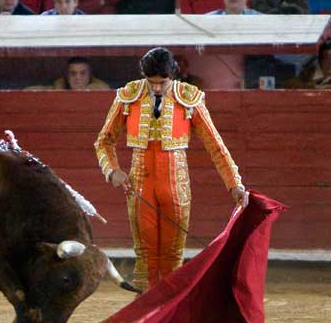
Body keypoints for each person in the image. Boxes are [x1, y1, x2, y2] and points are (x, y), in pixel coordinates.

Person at [94, 47, 248, 290]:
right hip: (140, 182)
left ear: (173, 76)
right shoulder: (128, 96)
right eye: (151, 82)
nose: (156, 88)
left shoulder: (188, 98)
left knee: (172, 254)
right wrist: (112, 170)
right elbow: (104, 141)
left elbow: (216, 146)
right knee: (145, 253)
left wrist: (234, 184)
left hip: (175, 183)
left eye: (162, 82)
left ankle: (169, 306)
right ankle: (145, 306)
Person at [27, 57, 109, 90]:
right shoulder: (56, 89)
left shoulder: (100, 89)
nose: (78, 77)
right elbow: (28, 91)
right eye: (73, 73)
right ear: (67, 76)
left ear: (89, 76)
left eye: (82, 73)